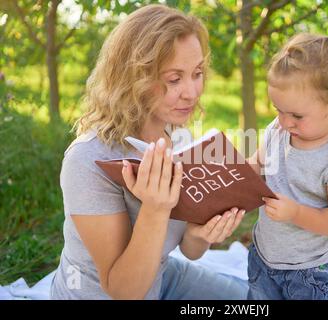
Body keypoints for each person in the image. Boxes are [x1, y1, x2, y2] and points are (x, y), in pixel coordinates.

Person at [50, 4, 247, 300]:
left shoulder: (180, 138)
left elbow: (190, 251)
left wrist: (203, 234)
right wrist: (155, 209)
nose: (192, 92)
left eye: (197, 73)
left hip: (162, 276)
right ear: (133, 78)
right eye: (174, 79)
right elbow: (123, 290)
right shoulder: (87, 160)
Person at [246, 15, 328, 300]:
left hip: (311, 272)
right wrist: (234, 176)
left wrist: (297, 214)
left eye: (296, 115)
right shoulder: (278, 130)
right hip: (264, 257)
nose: (284, 121)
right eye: (278, 109)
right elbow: (257, 165)